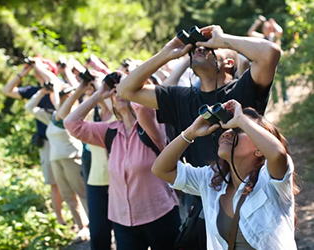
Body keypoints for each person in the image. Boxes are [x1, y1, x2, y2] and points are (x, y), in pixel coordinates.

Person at [117, 24, 281, 248]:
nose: (199, 48)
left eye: (209, 49)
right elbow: (126, 90)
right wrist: (168, 52)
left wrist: (221, 39)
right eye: (197, 47)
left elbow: (270, 54)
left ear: (228, 63)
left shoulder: (242, 91)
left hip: (251, 195)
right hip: (203, 198)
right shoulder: (181, 98)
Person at [151, 99, 298, 250]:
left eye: (237, 130)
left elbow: (278, 154)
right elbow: (161, 169)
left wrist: (240, 118)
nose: (227, 133)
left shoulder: (270, 180)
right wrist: (190, 132)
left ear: (260, 149)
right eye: (226, 129)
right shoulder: (211, 180)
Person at [64, 78, 181, 250]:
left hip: (159, 215)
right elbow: (71, 123)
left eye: (124, 91)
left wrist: (133, 83)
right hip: (123, 220)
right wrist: (98, 95)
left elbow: (143, 107)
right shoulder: (109, 131)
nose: (120, 94)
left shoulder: (151, 126)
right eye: (116, 92)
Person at [26, 58, 89, 242]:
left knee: (82, 192)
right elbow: (30, 107)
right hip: (56, 159)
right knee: (68, 195)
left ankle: (96, 226)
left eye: (64, 96)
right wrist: (41, 92)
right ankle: (81, 227)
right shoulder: (52, 116)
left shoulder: (71, 114)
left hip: (71, 156)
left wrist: (55, 87)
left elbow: (61, 98)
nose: (61, 98)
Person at [1, 57, 65, 225]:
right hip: (46, 143)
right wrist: (22, 73)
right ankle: (60, 220)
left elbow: (55, 81)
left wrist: (40, 66)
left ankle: (80, 219)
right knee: (54, 183)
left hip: (64, 141)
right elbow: (7, 90)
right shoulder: (35, 92)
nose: (36, 71)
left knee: (71, 181)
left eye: (40, 68)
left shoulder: (61, 88)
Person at [58, 65, 114, 250]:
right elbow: (62, 116)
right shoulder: (90, 114)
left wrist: (101, 87)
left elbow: (112, 117)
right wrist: (80, 88)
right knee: (98, 234)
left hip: (121, 180)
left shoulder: (121, 113)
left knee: (125, 233)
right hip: (96, 181)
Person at [248, 15, 289, 104]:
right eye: (263, 27)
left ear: (271, 28)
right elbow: (250, 32)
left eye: (266, 27)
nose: (264, 29)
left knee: (282, 80)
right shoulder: (262, 38)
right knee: (271, 82)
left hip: (278, 61)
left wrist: (273, 23)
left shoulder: (274, 36)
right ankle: (275, 101)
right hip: (269, 63)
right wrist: (257, 22)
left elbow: (280, 31)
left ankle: (285, 99)